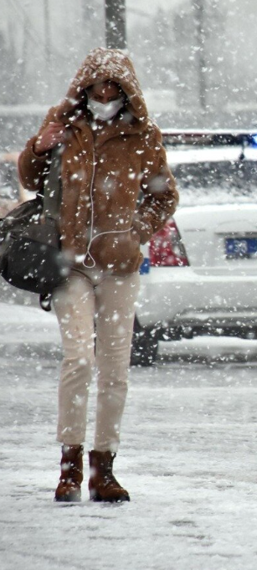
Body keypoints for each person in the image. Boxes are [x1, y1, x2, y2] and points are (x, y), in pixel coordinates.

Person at [18, 48, 179, 503]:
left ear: (127, 93)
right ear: (84, 89)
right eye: (97, 90)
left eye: (113, 91)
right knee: (78, 360)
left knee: (114, 370)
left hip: (119, 267)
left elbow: (164, 196)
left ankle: (102, 468)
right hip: (69, 263)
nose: (104, 98)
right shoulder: (63, 123)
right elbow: (30, 179)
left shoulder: (142, 135)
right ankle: (69, 466)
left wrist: (136, 232)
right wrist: (39, 147)